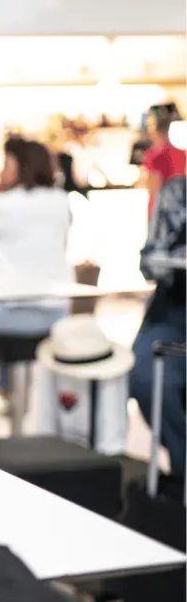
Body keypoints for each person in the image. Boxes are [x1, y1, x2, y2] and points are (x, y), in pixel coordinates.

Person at [0, 139, 72, 411]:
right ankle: (8, 394)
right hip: (55, 314)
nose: (1, 172)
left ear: (20, 167)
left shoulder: (5, 204)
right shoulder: (61, 200)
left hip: (11, 315)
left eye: (6, 164)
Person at [130, 175, 186, 476]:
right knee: (146, 376)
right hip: (178, 309)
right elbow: (149, 262)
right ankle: (183, 469)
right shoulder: (178, 192)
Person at [141, 105, 186, 217]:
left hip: (160, 211)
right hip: (178, 209)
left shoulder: (155, 155)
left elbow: (153, 188)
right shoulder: (181, 153)